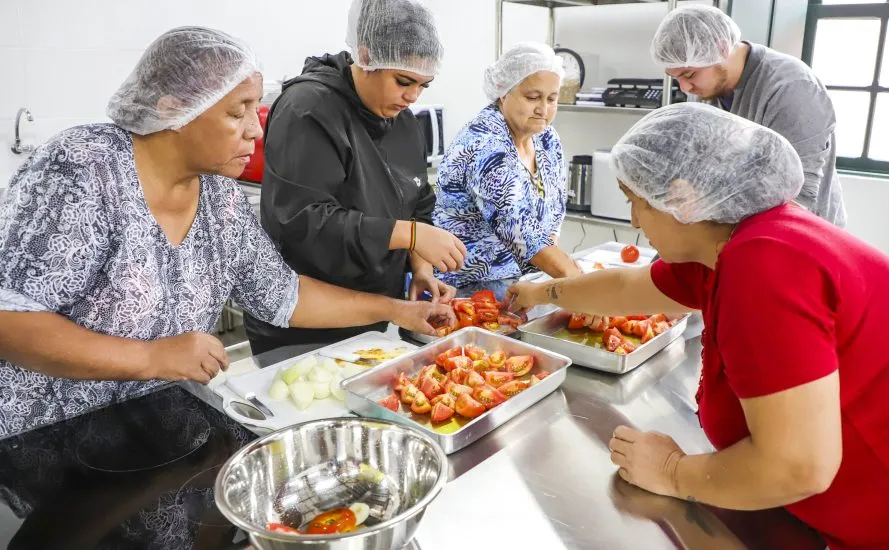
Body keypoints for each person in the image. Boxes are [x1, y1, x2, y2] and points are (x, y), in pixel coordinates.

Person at [509, 103, 889, 549]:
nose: (632, 221)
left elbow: (798, 468)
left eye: (638, 203)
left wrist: (672, 471)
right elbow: (631, 288)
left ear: (682, 198)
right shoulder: (739, 237)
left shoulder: (764, 267)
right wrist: (541, 293)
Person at [0, 26, 454, 440]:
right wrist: (151, 357)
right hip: (43, 438)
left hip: (157, 428)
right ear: (174, 108)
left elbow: (283, 295)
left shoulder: (220, 198)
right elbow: (10, 319)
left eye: (255, 111)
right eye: (238, 113)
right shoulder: (84, 169)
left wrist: (399, 311)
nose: (256, 131)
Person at [246, 0, 465, 354]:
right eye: (404, 81)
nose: (412, 96)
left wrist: (421, 266)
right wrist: (411, 234)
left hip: (375, 318)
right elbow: (307, 222)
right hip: (303, 328)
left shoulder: (404, 121)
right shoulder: (308, 109)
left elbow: (417, 202)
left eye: (424, 85)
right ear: (365, 55)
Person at [652, 5, 847, 228]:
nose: (685, 87)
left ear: (722, 48)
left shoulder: (791, 88)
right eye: (675, 78)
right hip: (739, 226)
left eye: (689, 74)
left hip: (800, 233)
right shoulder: (708, 89)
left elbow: (798, 196)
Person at [433, 42, 582, 294]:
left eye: (552, 98)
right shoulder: (485, 144)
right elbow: (517, 227)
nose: (543, 109)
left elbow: (553, 209)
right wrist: (573, 279)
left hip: (521, 282)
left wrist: (560, 268)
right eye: (532, 97)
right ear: (503, 93)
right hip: (464, 290)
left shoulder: (546, 138)